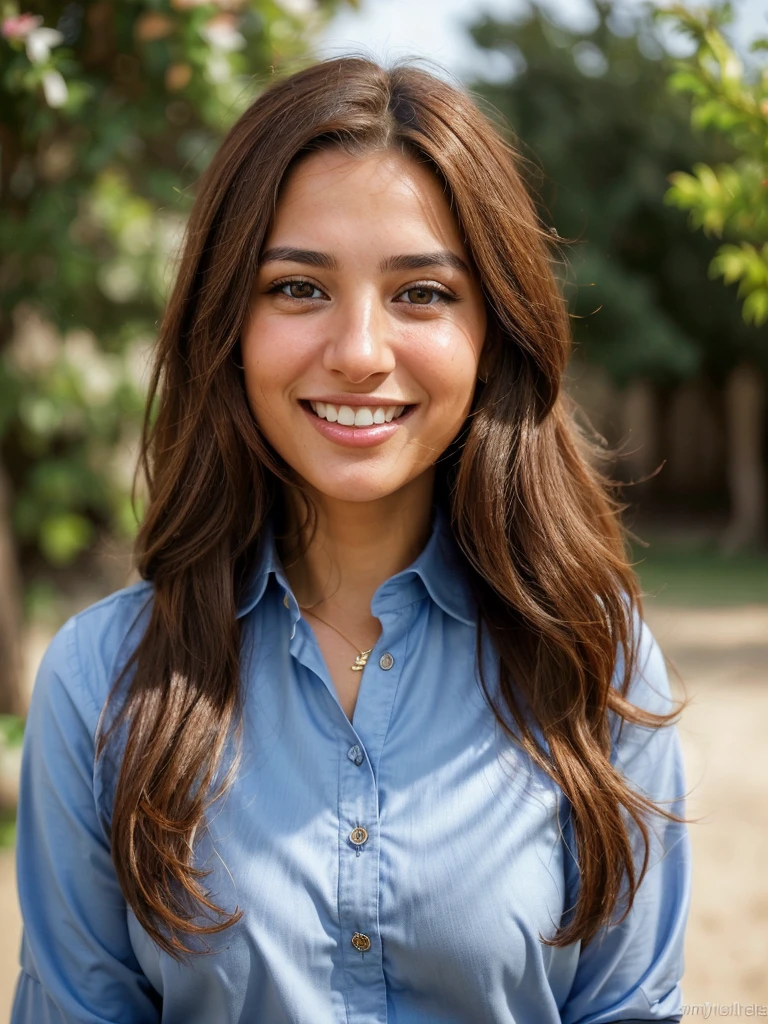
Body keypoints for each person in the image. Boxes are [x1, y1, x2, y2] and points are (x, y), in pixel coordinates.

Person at [11, 57, 691, 1024]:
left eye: (422, 293)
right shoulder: (101, 682)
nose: (361, 352)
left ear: (493, 333)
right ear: (227, 325)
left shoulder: (595, 662)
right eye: (297, 288)